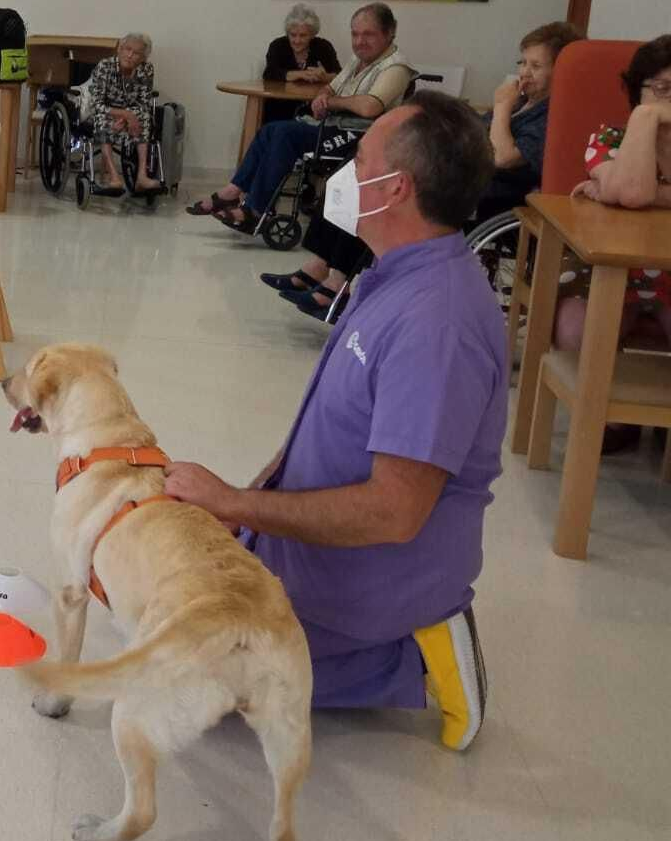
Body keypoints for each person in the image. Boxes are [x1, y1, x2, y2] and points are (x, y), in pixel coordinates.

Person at [165, 91, 503, 750]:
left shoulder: (438, 324)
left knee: (195, 682)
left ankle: (420, 651)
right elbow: (321, 427)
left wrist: (236, 502)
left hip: (371, 575)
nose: (344, 171)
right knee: (155, 590)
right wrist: (245, 508)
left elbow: (393, 513)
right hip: (304, 547)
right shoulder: (393, 272)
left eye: (361, 158)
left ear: (396, 188)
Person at [265, 21, 583, 321]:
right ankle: (324, 266)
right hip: (464, 175)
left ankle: (338, 282)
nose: (524, 73)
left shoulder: (551, 113)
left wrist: (500, 107)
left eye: (536, 66)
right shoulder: (521, 102)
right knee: (358, 172)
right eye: (523, 63)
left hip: (492, 192)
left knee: (390, 191)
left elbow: (503, 157)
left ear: (564, 73)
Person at [188, 3, 412, 231]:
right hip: (333, 126)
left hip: (359, 137)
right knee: (270, 129)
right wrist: (323, 97)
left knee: (285, 134)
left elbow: (369, 107)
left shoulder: (395, 67)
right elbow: (331, 87)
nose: (359, 41)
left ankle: (255, 211)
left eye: (368, 34)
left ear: (389, 32)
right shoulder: (358, 61)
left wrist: (329, 101)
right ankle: (233, 191)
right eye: (355, 34)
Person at [558, 35, 671, 453]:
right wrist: (645, 121)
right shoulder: (609, 138)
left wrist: (611, 190)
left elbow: (630, 193)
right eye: (660, 88)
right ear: (637, 92)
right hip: (610, 271)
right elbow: (634, 191)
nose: (669, 101)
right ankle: (615, 419)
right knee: (574, 329)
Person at [85, 32, 163, 192]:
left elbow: (143, 100)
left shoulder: (146, 69)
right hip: (107, 110)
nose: (130, 55)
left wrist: (129, 117)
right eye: (127, 49)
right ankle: (114, 177)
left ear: (143, 58)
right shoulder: (105, 66)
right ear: (119, 49)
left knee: (145, 116)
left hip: (131, 113)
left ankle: (141, 176)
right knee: (102, 118)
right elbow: (96, 103)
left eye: (136, 53)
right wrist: (124, 115)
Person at [262, 3, 341, 122]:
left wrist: (325, 77)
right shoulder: (278, 45)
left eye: (303, 35)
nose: (297, 40)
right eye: (293, 35)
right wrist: (299, 74)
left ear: (312, 35)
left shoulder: (324, 47)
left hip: (314, 109)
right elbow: (269, 73)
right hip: (279, 108)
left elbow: (341, 76)